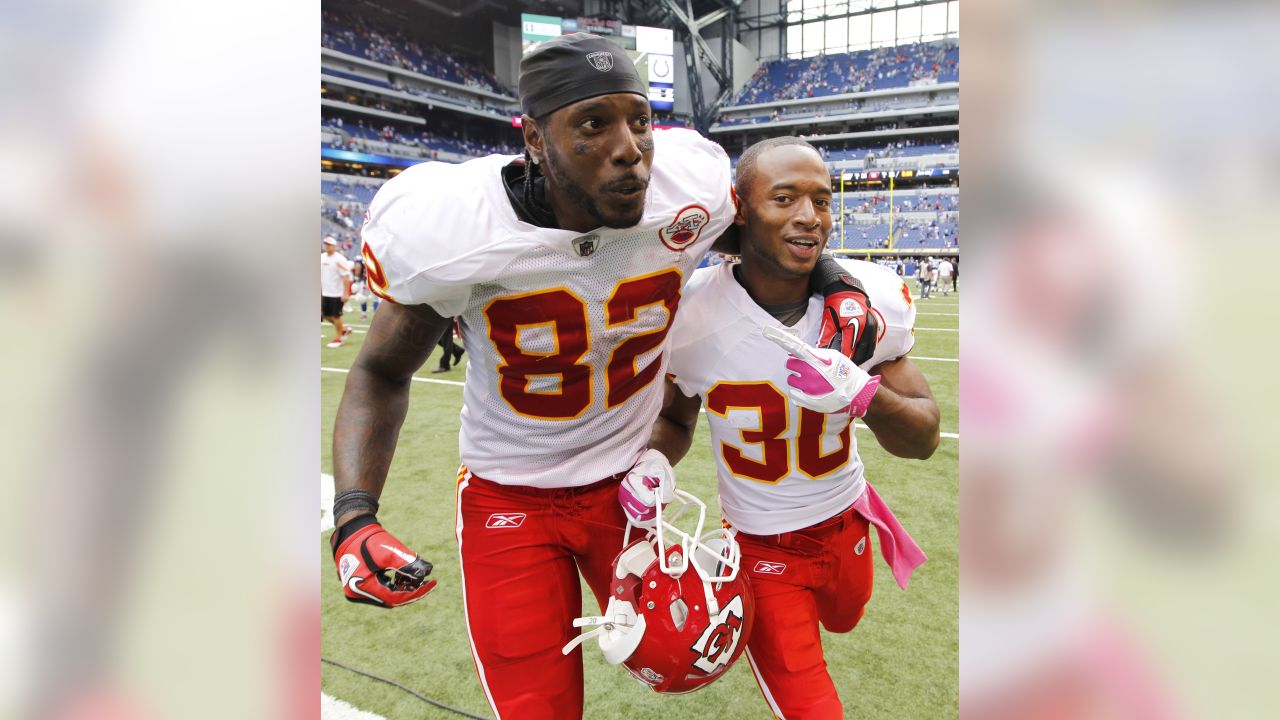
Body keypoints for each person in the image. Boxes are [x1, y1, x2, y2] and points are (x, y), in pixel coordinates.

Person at [326, 34, 882, 719]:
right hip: (511, 499)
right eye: (594, 124)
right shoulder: (457, 230)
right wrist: (354, 515)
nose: (631, 149)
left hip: (626, 491)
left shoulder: (686, 189)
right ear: (533, 137)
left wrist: (838, 280)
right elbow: (380, 372)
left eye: (640, 121)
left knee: (681, 661)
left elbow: (772, 233)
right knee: (538, 707)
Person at [649, 137, 941, 718]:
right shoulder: (690, 317)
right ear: (741, 208)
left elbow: (926, 437)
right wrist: (652, 463)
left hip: (845, 518)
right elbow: (673, 418)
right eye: (784, 198)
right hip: (759, 548)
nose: (809, 217)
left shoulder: (866, 301)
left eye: (821, 201)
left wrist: (865, 395)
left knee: (847, 614)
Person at [321, 236, 353, 348]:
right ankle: (344, 330)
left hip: (336, 293)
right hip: (325, 292)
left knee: (336, 316)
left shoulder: (340, 259)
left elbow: (345, 277)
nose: (326, 246)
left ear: (334, 246)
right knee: (325, 315)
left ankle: (339, 337)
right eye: (325, 244)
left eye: (329, 244)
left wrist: (345, 293)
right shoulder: (322, 257)